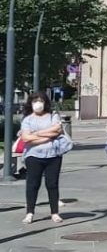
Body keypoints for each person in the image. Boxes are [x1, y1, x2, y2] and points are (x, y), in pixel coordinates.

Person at [19, 93, 65, 224]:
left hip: (53, 155)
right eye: (35, 101)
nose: (38, 104)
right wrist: (48, 136)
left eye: (40, 101)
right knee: (33, 184)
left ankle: (54, 213)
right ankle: (30, 212)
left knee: (52, 184)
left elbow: (57, 130)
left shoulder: (53, 116)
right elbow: (26, 138)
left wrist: (36, 134)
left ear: (45, 103)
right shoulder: (27, 119)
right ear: (31, 103)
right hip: (33, 156)